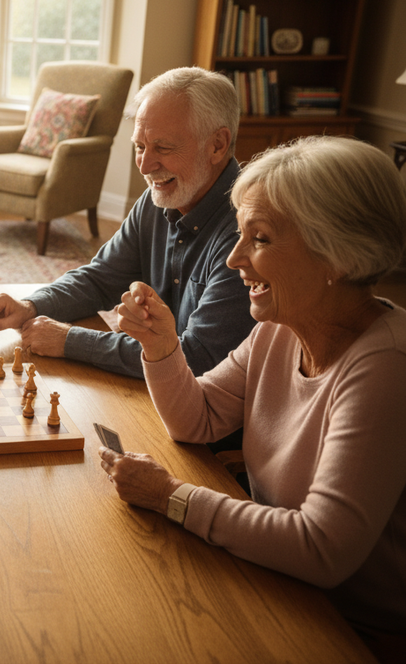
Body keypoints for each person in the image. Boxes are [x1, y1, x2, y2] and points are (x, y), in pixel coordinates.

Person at [103, 136, 406, 662]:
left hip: (348, 630)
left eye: (259, 239)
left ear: (338, 253)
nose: (233, 258)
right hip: (272, 578)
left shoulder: (387, 367)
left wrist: (170, 496)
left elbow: (321, 549)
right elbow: (197, 419)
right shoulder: (282, 326)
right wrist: (161, 345)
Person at [0, 67, 256, 379]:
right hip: (166, 392)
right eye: (140, 146)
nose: (146, 166)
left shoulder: (250, 233)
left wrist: (70, 340)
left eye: (163, 148)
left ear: (217, 145)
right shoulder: (157, 201)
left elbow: (199, 356)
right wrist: (30, 305)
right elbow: (100, 279)